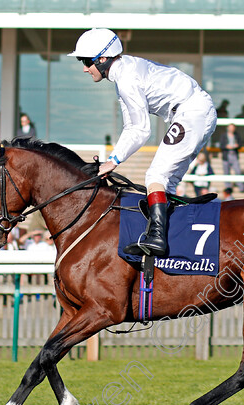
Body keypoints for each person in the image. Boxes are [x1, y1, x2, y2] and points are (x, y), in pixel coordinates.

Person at [70, 28, 217, 257]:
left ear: (103, 58)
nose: (84, 68)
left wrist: (113, 161)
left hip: (192, 113)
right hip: (193, 111)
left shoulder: (127, 78)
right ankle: (171, 239)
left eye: (87, 61)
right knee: (164, 183)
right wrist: (112, 160)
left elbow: (140, 130)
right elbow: (132, 127)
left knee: (155, 177)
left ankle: (157, 239)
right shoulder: (124, 72)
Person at [219, 123, 244, 192]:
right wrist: (226, 146)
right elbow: (221, 146)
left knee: (237, 171)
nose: (232, 129)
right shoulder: (223, 136)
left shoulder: (236, 135)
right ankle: (228, 187)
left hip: (234, 154)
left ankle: (241, 187)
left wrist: (237, 145)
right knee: (226, 172)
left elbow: (240, 144)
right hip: (226, 155)